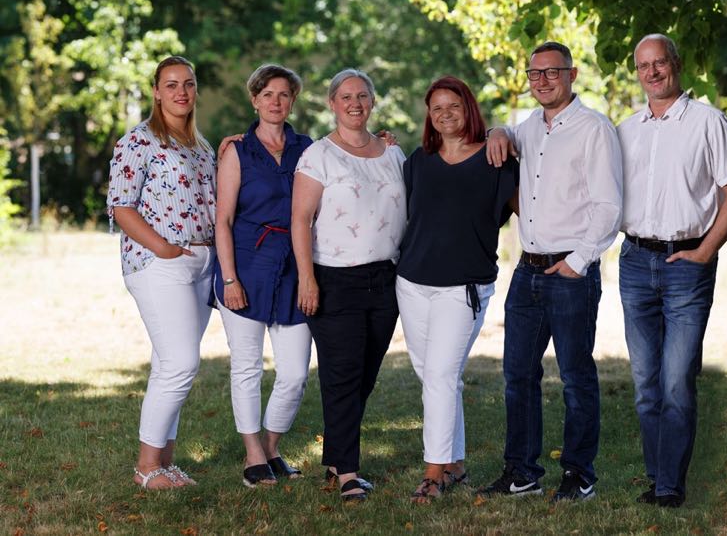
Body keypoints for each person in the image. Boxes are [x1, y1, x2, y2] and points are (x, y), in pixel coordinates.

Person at [481, 42, 623, 502]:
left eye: (551, 72)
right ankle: (522, 471)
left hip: (570, 273)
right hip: (526, 273)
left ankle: (579, 474)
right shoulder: (529, 128)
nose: (542, 81)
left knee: (576, 377)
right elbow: (505, 134)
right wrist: (498, 130)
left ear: (572, 74)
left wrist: (578, 262)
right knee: (517, 375)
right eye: (534, 73)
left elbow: (609, 206)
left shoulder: (594, 129)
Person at [617, 34, 727, 508]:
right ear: (637, 72)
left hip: (687, 265)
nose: (652, 72)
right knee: (645, 385)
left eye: (660, 63)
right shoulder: (626, 130)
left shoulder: (709, 122)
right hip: (635, 263)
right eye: (643, 66)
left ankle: (670, 486)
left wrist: (706, 251)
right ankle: (659, 478)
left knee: (676, 381)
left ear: (676, 64)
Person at [396, 76, 519, 503]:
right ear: (428, 116)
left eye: (453, 105)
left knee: (441, 377)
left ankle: (433, 474)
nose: (445, 114)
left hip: (463, 286)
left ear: (468, 108)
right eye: (436, 108)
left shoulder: (495, 158)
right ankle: (456, 464)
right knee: (435, 377)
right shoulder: (419, 160)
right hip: (412, 283)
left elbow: (530, 211)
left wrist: (502, 132)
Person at [291, 69, 407, 502]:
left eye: (362, 96)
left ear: (372, 102)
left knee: (365, 377)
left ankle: (336, 459)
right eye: (346, 97)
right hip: (334, 278)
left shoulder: (393, 153)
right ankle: (348, 475)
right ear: (332, 103)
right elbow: (300, 220)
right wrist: (307, 278)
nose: (355, 104)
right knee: (342, 375)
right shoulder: (318, 156)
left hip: (386, 279)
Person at [107, 56, 216, 490]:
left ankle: (164, 465)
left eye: (188, 84)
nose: (181, 92)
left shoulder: (201, 146)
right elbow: (121, 207)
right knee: (180, 363)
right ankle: (146, 468)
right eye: (171, 85)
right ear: (156, 91)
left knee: (168, 364)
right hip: (159, 263)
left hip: (202, 264)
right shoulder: (139, 140)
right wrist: (164, 248)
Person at [212, 64, 313, 487]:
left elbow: (348, 157)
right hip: (246, 267)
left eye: (284, 94)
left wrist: (383, 141)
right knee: (247, 366)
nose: (276, 101)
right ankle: (253, 454)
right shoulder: (237, 151)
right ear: (254, 100)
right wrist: (229, 279)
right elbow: (222, 220)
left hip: (294, 268)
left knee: (295, 372)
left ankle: (271, 446)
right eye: (267, 94)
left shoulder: (308, 149)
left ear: (293, 101)